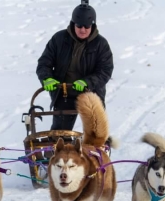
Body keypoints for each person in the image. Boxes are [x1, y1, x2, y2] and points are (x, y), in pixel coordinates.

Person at [36, 1, 114, 131]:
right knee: (60, 134)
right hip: (64, 93)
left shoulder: (101, 44)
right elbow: (44, 63)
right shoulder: (59, 39)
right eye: (79, 26)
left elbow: (105, 71)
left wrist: (87, 82)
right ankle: (60, 149)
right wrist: (46, 78)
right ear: (73, 24)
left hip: (91, 94)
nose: (83, 30)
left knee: (95, 134)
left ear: (92, 25)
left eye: (86, 26)